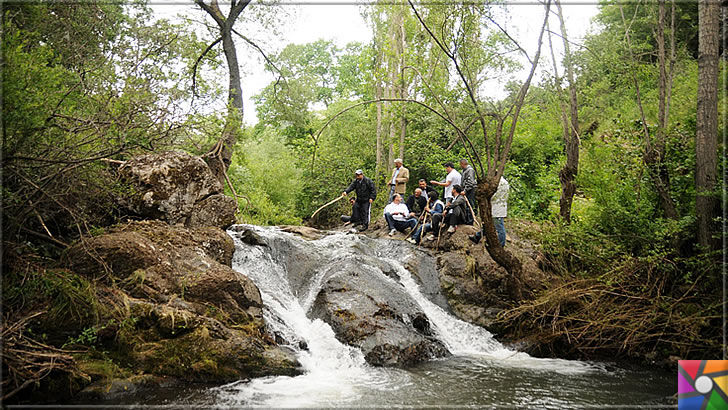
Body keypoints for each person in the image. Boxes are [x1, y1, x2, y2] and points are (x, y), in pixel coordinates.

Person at [470, 176, 509, 246]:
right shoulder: (505, 182)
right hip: (497, 207)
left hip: (497, 208)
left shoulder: (499, 183)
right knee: (488, 224)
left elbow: (493, 195)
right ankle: (477, 236)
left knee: (499, 227)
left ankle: (501, 244)